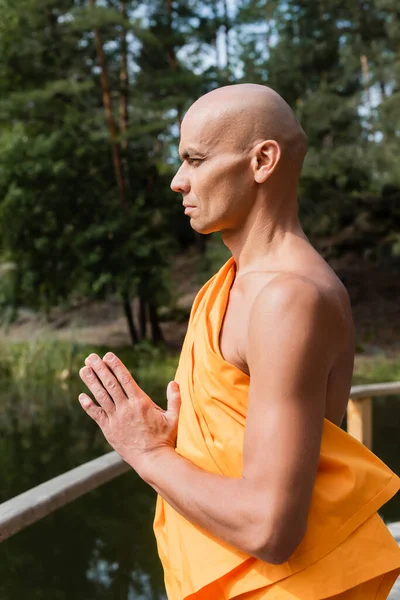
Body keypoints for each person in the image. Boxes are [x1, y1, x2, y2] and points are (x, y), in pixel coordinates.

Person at [78, 84, 400, 599]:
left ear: (262, 161)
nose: (177, 181)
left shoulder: (288, 298)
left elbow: (268, 528)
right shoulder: (233, 285)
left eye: (196, 160)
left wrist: (149, 455)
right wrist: (177, 444)